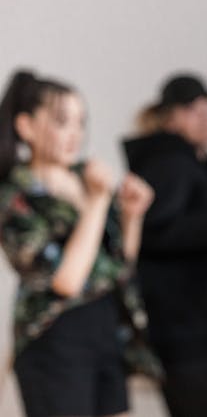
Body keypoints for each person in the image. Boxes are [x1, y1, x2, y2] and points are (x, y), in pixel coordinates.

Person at [0, 70, 156, 417]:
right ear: (25, 127)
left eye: (80, 122)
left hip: (104, 330)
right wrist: (98, 202)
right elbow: (66, 281)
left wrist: (132, 216)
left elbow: (118, 263)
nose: (75, 134)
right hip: (54, 339)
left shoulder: (84, 176)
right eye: (61, 121)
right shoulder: (15, 196)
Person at [123, 73, 207, 417]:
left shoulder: (191, 161)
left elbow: (201, 239)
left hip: (192, 324)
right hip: (178, 328)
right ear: (172, 117)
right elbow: (156, 234)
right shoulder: (171, 162)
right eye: (197, 110)